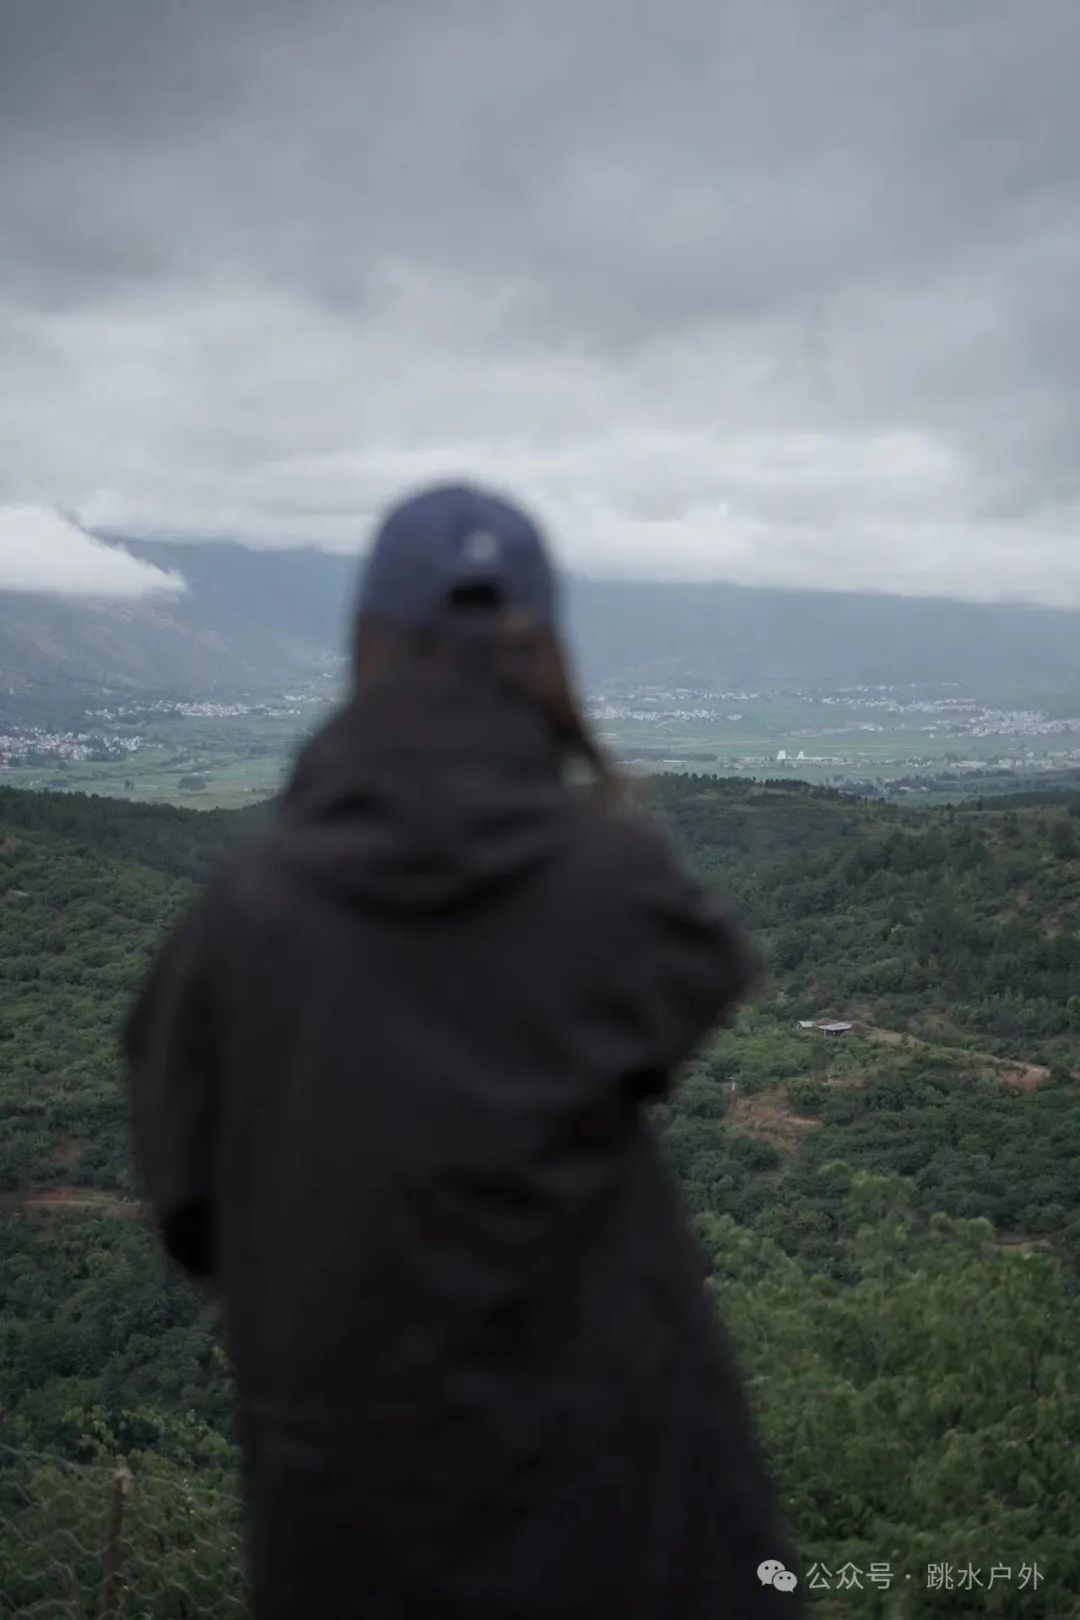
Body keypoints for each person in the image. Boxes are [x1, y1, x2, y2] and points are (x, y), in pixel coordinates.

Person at [125, 484, 803, 1619]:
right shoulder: (612, 884)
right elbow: (697, 983)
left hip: (348, 1536)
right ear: (544, 656)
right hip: (636, 1528)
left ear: (365, 647)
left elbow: (191, 1211)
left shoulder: (239, 924)